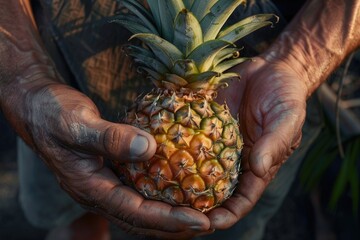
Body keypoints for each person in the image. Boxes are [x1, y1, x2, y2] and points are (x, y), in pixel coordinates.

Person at [0, 0, 359, 239]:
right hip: (56, 60)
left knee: (238, 223)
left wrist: (299, 60)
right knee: (66, 200)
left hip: (261, 84)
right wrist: (23, 77)